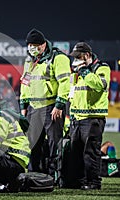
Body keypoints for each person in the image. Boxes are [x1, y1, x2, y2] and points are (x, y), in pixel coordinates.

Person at [20, 28, 71, 179]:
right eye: (29, 45)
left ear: (43, 45)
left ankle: (54, 176)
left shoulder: (58, 58)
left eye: (35, 45)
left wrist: (59, 105)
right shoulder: (29, 60)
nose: (31, 48)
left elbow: (64, 83)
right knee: (32, 144)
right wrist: (23, 107)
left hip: (51, 107)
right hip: (33, 109)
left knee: (54, 144)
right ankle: (34, 175)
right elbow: (25, 84)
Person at [68, 42, 110, 190]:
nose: (75, 60)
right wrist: (72, 114)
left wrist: (85, 72)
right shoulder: (77, 73)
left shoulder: (102, 68)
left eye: (78, 57)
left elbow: (99, 85)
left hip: (93, 118)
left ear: (86, 55)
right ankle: (79, 181)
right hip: (77, 118)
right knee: (76, 153)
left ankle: (93, 182)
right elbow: (73, 94)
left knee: (91, 152)